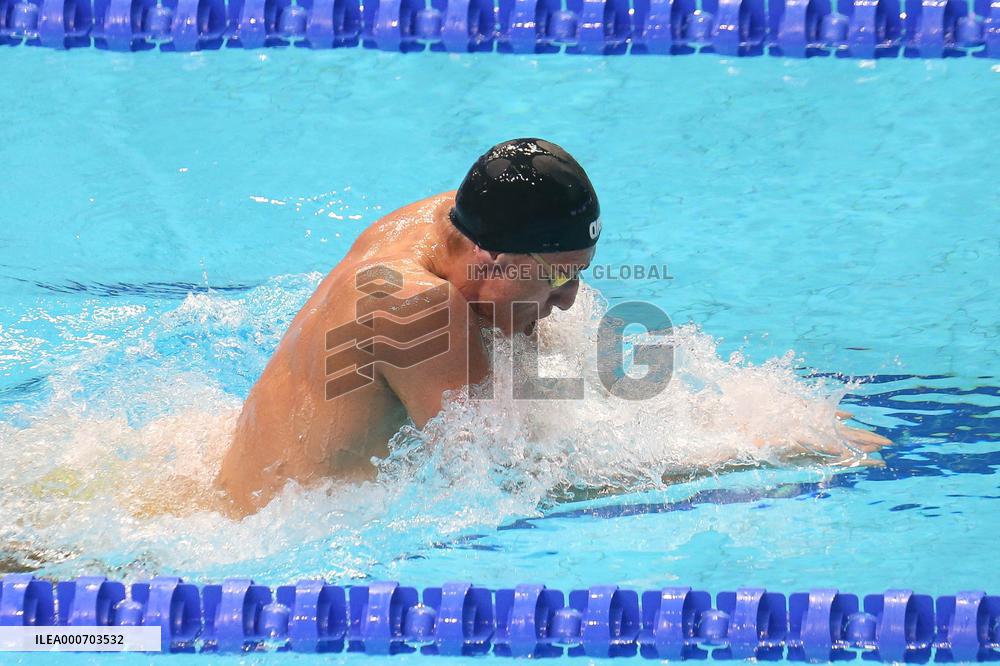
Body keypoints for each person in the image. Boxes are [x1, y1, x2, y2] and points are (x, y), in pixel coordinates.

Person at [215, 138, 889, 517]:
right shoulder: (416, 308)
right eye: (558, 277)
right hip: (270, 544)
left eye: (579, 274)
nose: (570, 302)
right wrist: (753, 451)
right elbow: (509, 478)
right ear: (493, 258)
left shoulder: (445, 224)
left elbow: (547, 392)